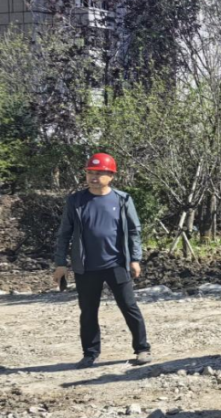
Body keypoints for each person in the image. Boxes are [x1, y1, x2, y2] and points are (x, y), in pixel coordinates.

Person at [53, 153, 151, 368]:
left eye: (99, 173)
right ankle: (90, 354)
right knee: (88, 311)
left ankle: (142, 349)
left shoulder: (123, 199)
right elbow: (64, 233)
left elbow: (134, 231)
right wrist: (61, 263)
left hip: (116, 264)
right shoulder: (76, 201)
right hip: (86, 267)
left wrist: (135, 259)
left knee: (129, 306)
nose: (93, 177)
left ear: (111, 176)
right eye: (90, 173)